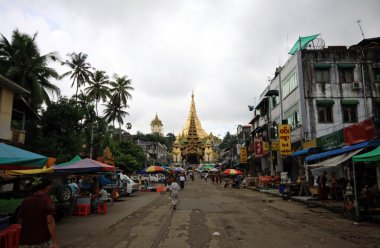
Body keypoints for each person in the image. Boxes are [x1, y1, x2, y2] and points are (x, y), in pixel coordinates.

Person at [19, 177, 58, 247]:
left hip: (25, 240)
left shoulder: (25, 201)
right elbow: (49, 221)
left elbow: (21, 220)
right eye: (51, 185)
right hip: (42, 240)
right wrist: (55, 242)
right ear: (48, 187)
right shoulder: (48, 200)